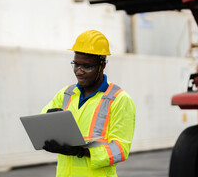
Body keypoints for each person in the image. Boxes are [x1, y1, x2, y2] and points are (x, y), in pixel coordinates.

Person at [41, 29, 136, 177]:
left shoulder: (119, 99)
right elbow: (41, 124)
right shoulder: (66, 94)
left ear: (102, 65)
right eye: (76, 64)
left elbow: (120, 150)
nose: (79, 71)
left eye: (87, 66)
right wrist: (47, 123)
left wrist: (81, 152)